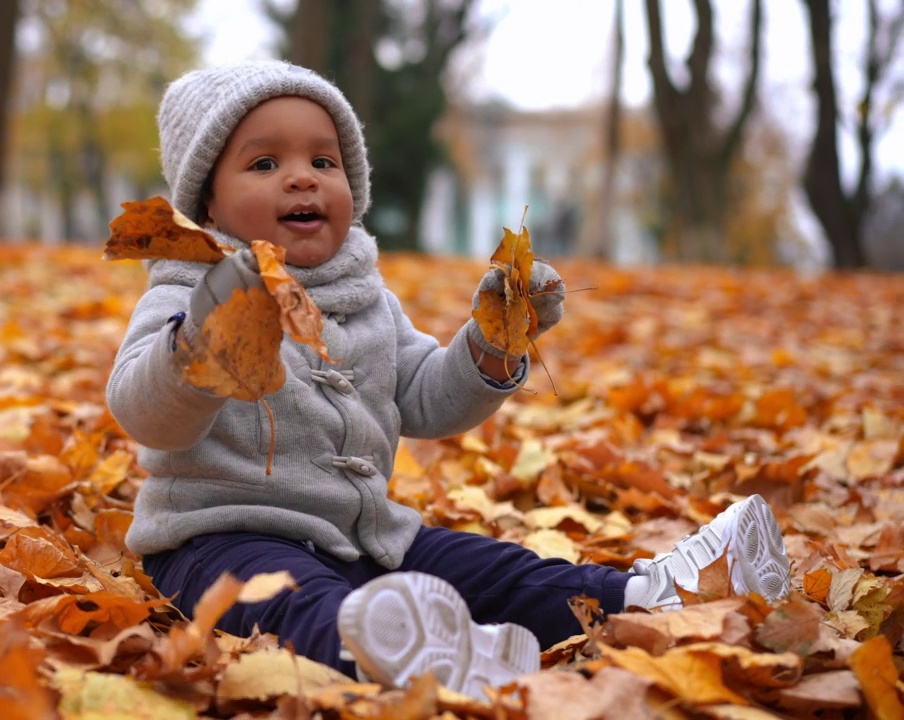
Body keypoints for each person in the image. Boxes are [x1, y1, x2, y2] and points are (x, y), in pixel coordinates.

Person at [105, 60, 791, 697]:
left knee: (499, 570)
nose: (303, 176)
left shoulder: (364, 294)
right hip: (221, 541)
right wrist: (201, 349)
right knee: (295, 603)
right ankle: (396, 656)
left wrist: (491, 345)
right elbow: (142, 410)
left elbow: (426, 397)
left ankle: (653, 594)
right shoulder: (192, 291)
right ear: (211, 204)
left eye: (324, 159)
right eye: (264, 162)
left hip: (371, 540)